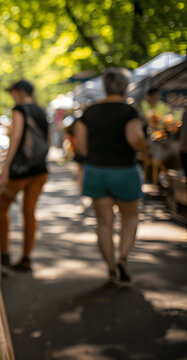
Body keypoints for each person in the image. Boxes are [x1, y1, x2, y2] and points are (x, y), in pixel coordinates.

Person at [74, 68, 148, 287]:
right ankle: (123, 256)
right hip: (124, 170)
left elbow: (81, 146)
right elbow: (135, 138)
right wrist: (145, 148)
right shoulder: (129, 111)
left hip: (96, 172)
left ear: (105, 86)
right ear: (125, 86)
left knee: (104, 223)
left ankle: (111, 268)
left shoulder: (89, 112)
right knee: (130, 218)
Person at [0, 80, 49, 271]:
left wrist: (5, 168)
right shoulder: (41, 111)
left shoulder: (20, 109)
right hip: (40, 170)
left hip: (20, 172)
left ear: (18, 92)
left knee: (0, 207)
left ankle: (4, 253)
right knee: (29, 212)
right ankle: (26, 257)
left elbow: (16, 137)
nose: (12, 96)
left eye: (12, 92)